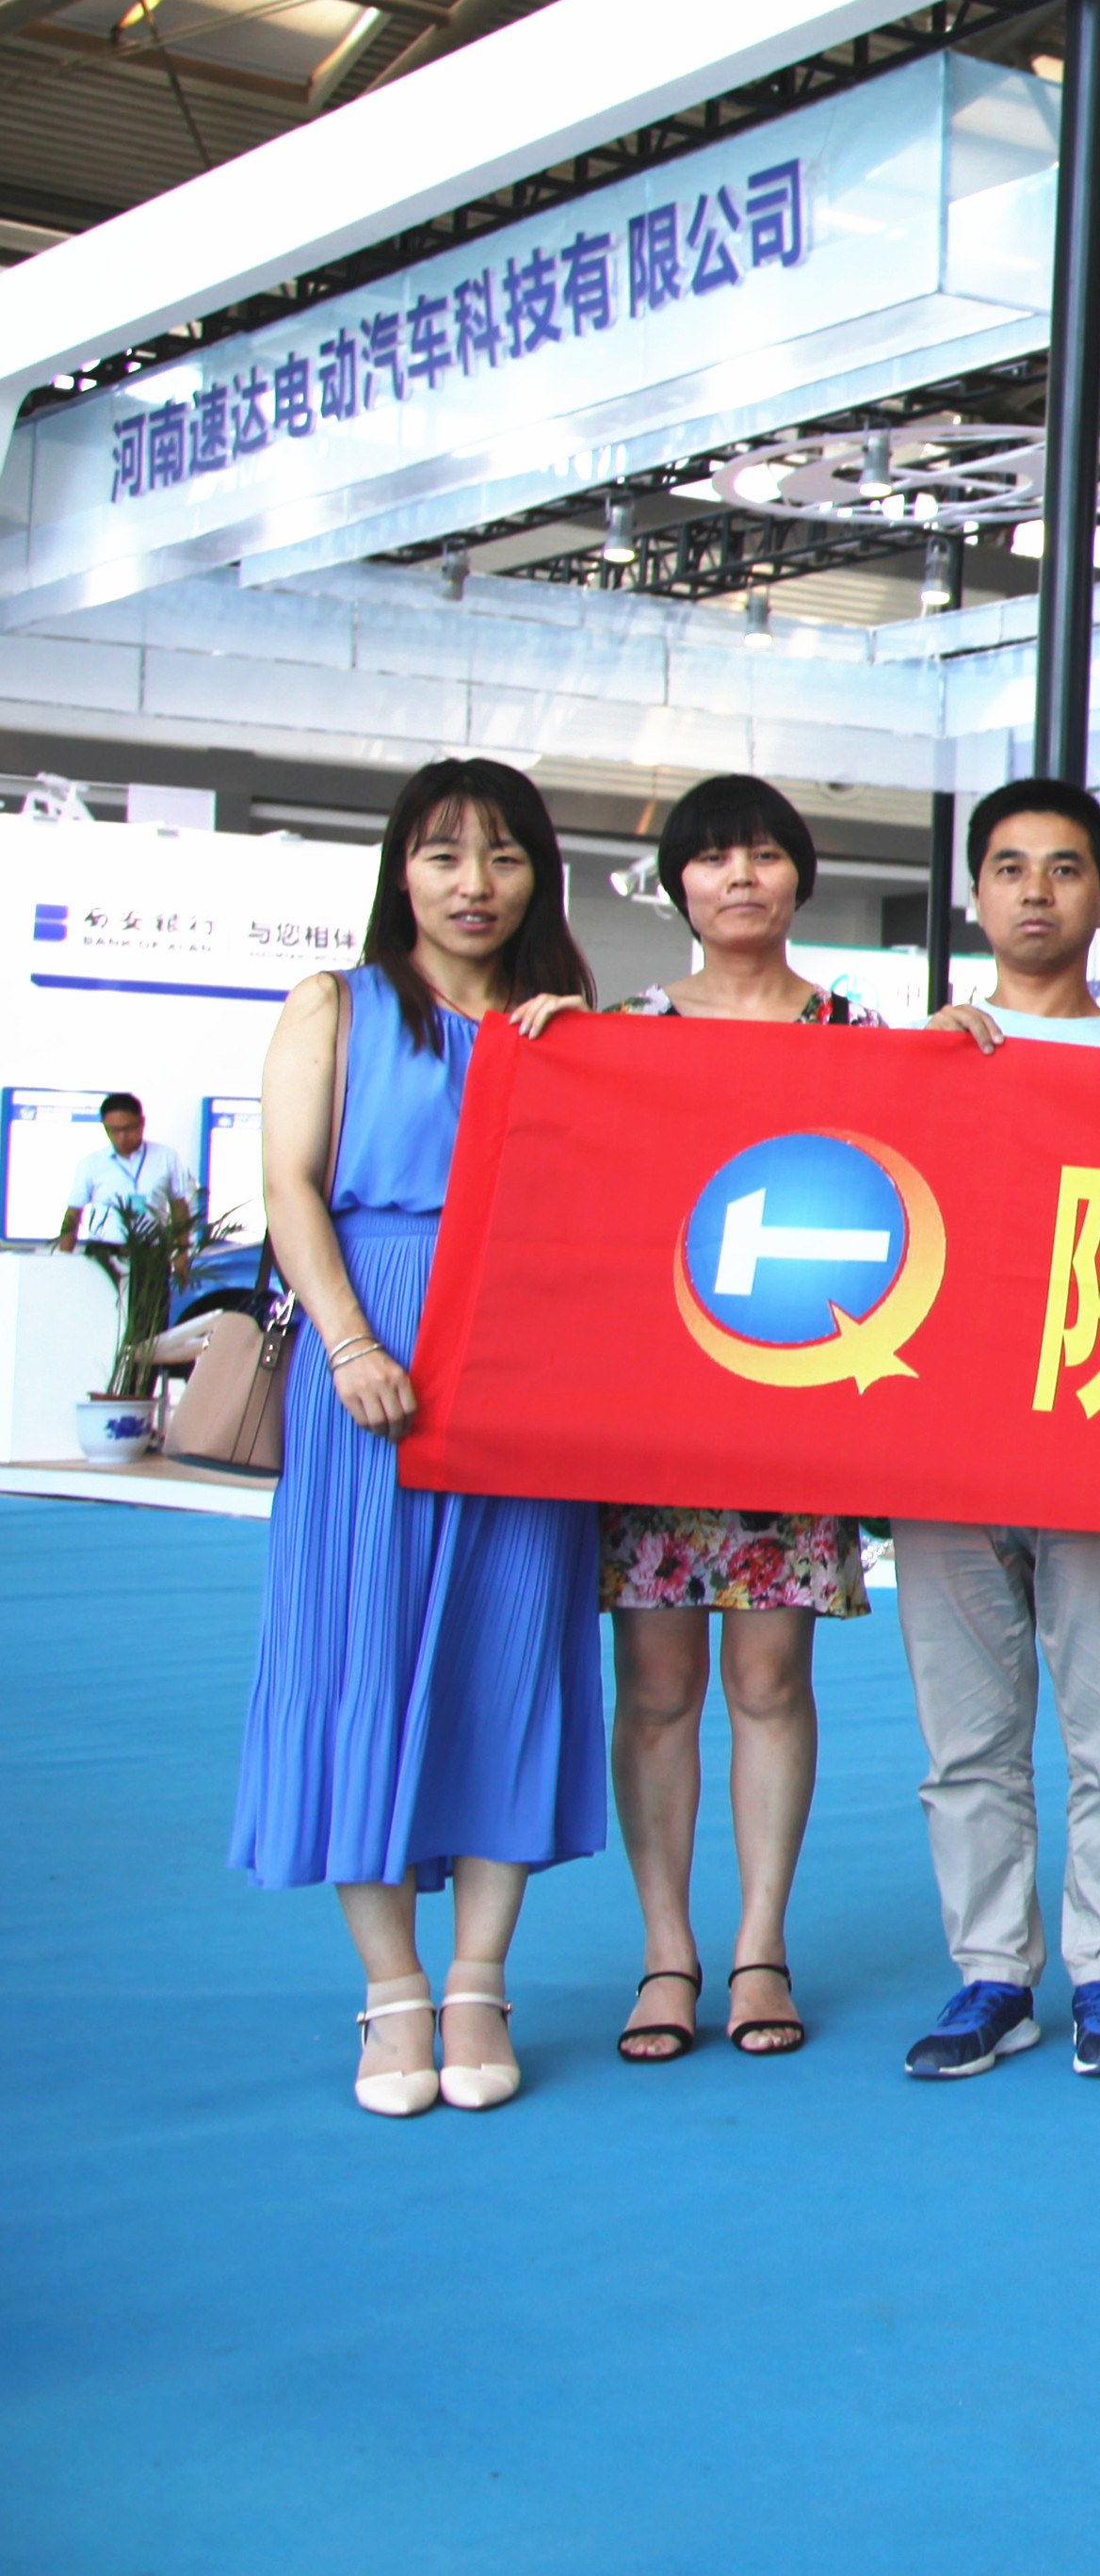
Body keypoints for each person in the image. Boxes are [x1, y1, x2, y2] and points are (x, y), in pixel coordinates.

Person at [230, 760, 607, 2114]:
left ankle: (479, 1981)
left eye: (503, 856)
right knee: (358, 1655)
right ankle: (391, 1990)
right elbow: (289, 1187)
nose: (474, 884)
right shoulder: (333, 1005)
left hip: (525, 1364)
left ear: (539, 876)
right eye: (445, 855)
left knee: (509, 1658)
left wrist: (586, 1061)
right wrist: (347, 1343)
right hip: (369, 1356)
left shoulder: (569, 1027)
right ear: (401, 869)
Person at [894, 782, 1100, 2082]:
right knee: (967, 1736)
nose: (1035, 891)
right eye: (1009, 867)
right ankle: (991, 1975)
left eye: (1064, 868)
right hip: (946, 1440)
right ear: (974, 894)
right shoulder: (921, 1057)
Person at [600, 772, 882, 2064]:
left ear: (799, 876)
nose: (741, 878)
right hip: (657, 1407)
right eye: (713, 857)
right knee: (656, 1686)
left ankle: (761, 1942)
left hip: (794, 1399)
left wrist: (967, 1045)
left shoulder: (862, 1033)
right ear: (679, 883)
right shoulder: (619, 1034)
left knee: (772, 1680)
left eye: (764, 854)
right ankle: (667, 1951)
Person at [58, 1092, 192, 1243]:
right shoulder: (90, 1163)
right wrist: (64, 1255)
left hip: (152, 1250)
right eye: (114, 1130)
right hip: (103, 1250)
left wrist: (182, 1251)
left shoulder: (166, 1157)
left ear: (142, 1123)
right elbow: (73, 1214)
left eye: (129, 1129)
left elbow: (179, 1208)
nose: (122, 1137)